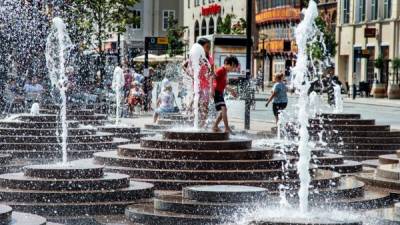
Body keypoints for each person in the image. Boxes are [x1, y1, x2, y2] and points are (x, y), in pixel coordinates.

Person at [211, 55, 239, 134]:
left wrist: (231, 90)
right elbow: (212, 77)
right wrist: (211, 90)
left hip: (220, 92)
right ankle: (227, 128)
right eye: (232, 66)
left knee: (223, 111)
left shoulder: (225, 72)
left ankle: (215, 126)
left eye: (234, 67)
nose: (233, 69)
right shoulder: (220, 70)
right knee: (223, 109)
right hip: (216, 92)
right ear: (227, 63)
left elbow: (224, 85)